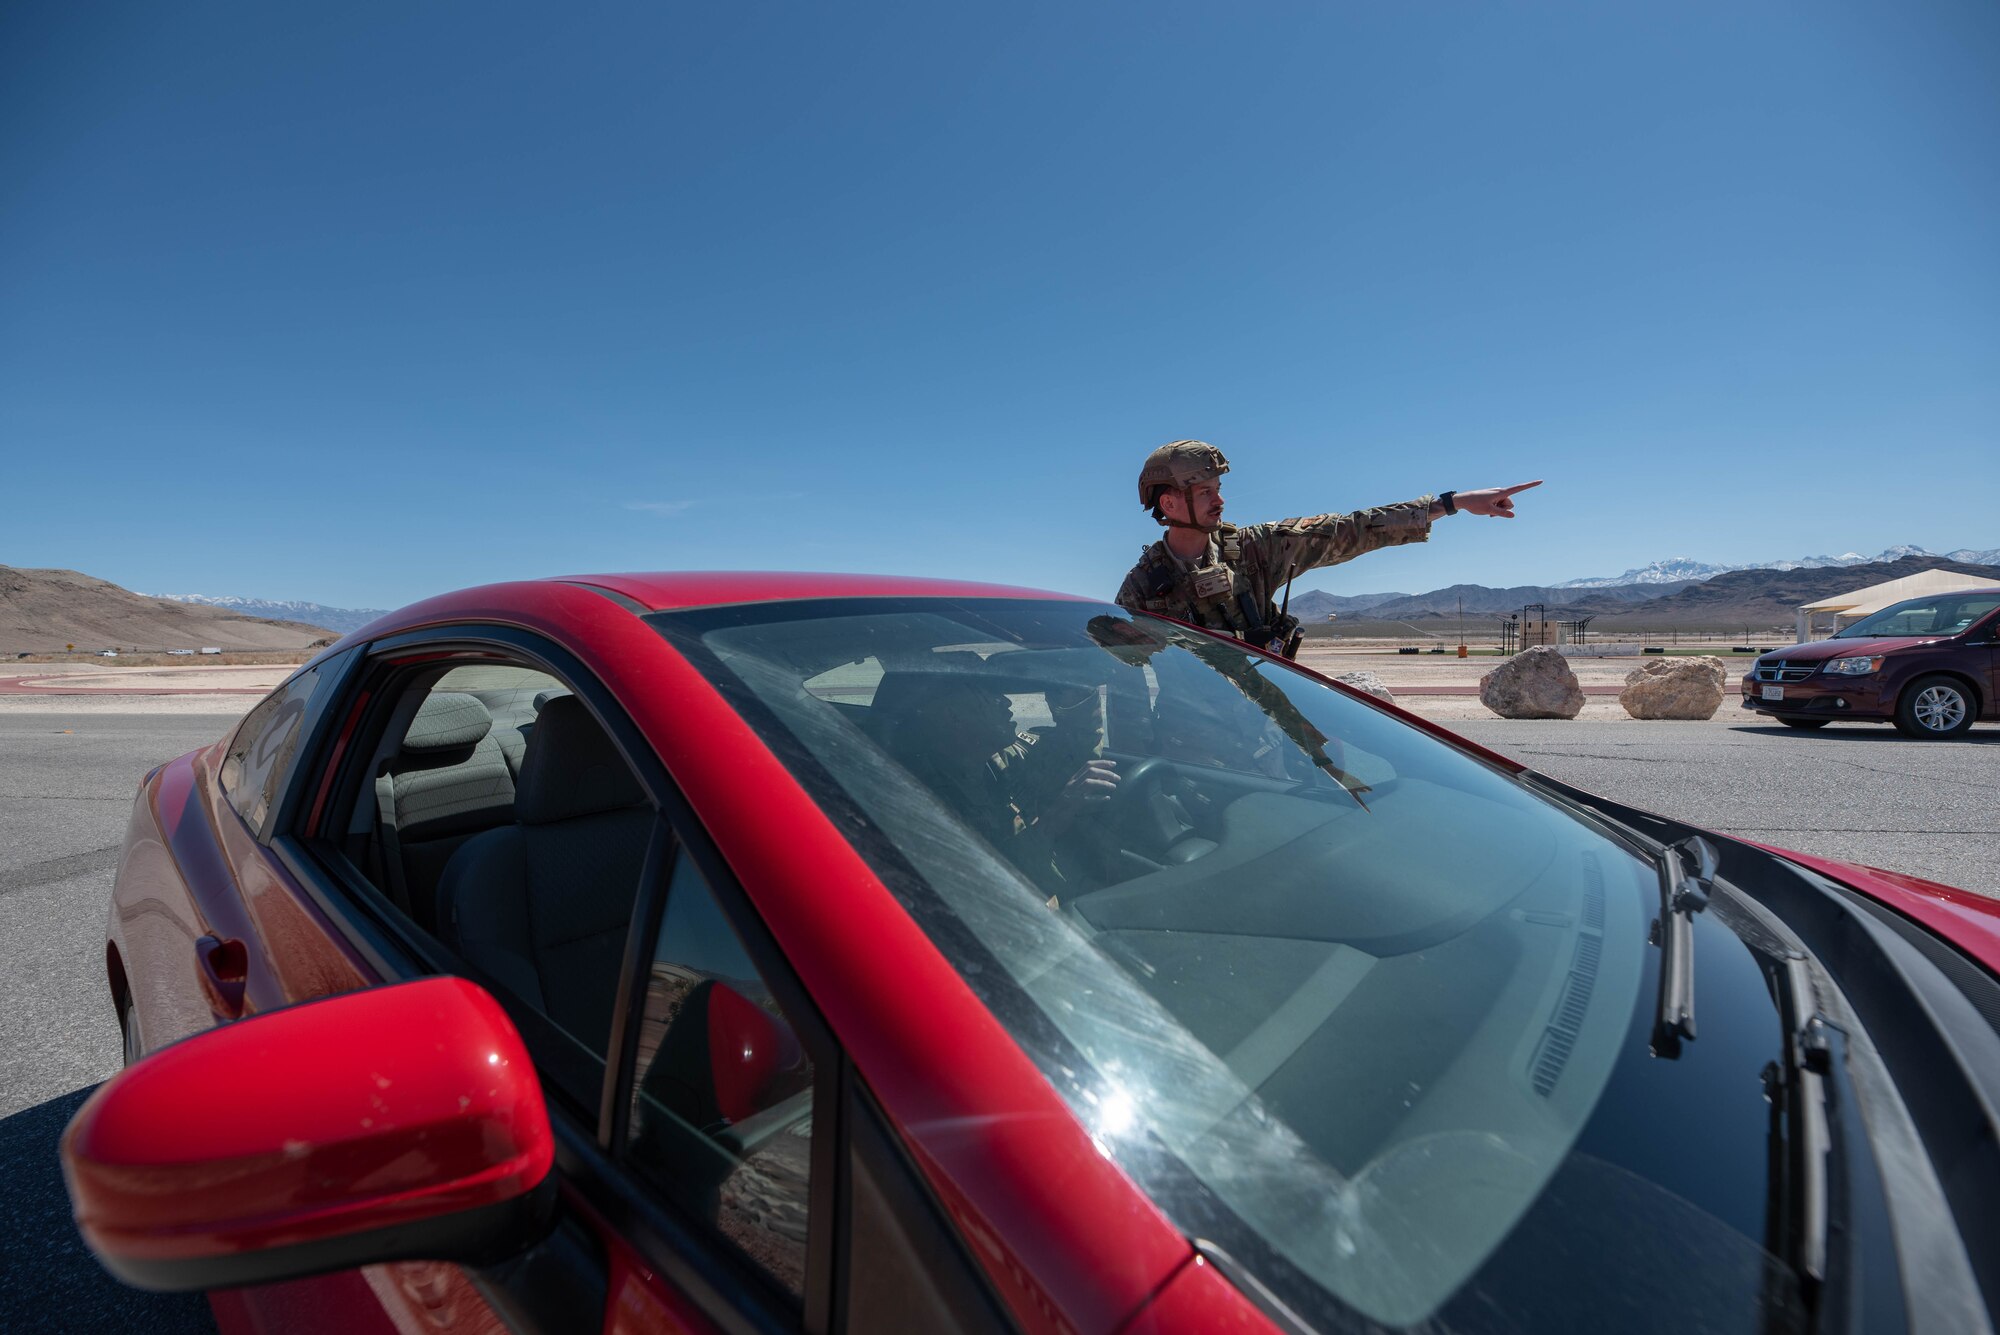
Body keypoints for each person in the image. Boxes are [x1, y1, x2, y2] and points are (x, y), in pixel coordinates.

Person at [1116, 439, 1542, 655]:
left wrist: (1453, 504)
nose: (1220, 501)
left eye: (1219, 488)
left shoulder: (1252, 549)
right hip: (1186, 744)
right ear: (1170, 503)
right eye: (1205, 491)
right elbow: (1119, 677)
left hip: (1265, 723)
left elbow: (1348, 529)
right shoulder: (1143, 587)